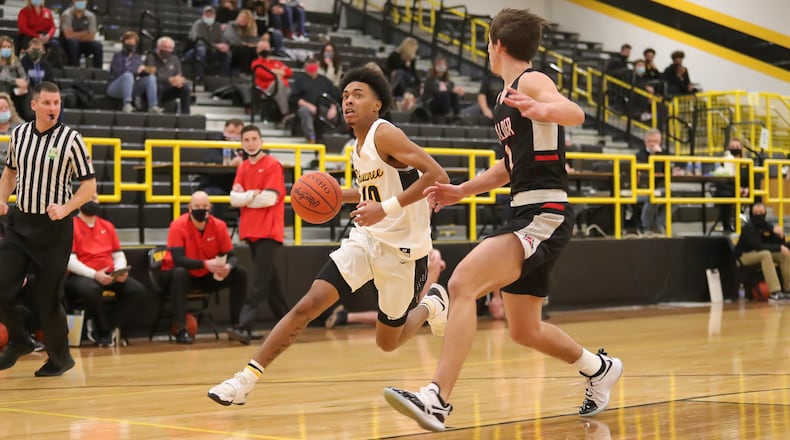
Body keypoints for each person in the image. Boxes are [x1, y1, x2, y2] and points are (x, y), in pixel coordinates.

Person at [382, 9, 623, 432]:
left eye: (488, 43)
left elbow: (575, 113)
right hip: (529, 208)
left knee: (461, 283)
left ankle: (436, 398)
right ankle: (599, 368)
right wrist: (460, 191)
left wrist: (544, 106)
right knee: (524, 330)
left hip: (544, 211)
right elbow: (508, 167)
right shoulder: (505, 97)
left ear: (496, 44)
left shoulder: (531, 81)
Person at [206, 65, 450, 406]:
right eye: (345, 95)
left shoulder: (385, 133)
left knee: (388, 343)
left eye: (358, 95)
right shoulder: (356, 145)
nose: (348, 100)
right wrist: (333, 193)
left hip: (405, 253)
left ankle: (431, 304)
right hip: (367, 239)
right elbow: (373, 191)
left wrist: (386, 208)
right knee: (308, 304)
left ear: (378, 104)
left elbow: (437, 174)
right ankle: (244, 380)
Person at [0, 81, 96, 376]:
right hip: (20, 224)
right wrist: (2, 199)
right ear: (34, 105)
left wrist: (66, 208)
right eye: (47, 103)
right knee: (2, 286)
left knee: (48, 297)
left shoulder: (71, 139)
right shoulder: (18, 135)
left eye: (57, 103)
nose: (53, 108)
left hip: (54, 229)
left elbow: (89, 186)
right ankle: (20, 340)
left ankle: (59, 358)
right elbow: (10, 172)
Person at [64, 194, 154, 346]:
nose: (92, 201)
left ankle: (106, 326)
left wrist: (119, 271)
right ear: (78, 202)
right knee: (91, 290)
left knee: (137, 291)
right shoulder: (70, 226)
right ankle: (104, 331)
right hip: (81, 276)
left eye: (95, 198)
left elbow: (118, 255)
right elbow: (70, 261)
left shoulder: (107, 225)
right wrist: (94, 274)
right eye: (88, 198)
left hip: (108, 274)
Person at [227, 124, 289, 343]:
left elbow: (269, 199)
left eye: (254, 139)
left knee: (259, 282)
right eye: (246, 140)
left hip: (269, 231)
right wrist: (254, 195)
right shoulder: (243, 167)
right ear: (242, 143)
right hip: (251, 230)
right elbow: (233, 199)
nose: (251, 143)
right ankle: (289, 325)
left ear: (261, 141)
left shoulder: (273, 165)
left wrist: (248, 196)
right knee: (271, 282)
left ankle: (244, 327)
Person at [160, 190, 247, 344]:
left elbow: (232, 256)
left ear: (210, 207)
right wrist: (205, 264)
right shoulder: (178, 225)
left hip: (206, 275)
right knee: (179, 273)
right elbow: (178, 259)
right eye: (197, 206)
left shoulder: (219, 226)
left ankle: (237, 326)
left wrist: (228, 266)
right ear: (189, 207)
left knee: (240, 273)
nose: (201, 209)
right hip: (180, 275)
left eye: (204, 205)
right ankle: (181, 329)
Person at [325, 248, 446, 328]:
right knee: (406, 320)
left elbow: (420, 234)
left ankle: (345, 317)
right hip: (389, 257)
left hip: (403, 256)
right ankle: (344, 316)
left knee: (408, 319)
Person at [734, 203, 790, 301]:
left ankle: (788, 289)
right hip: (744, 256)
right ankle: (774, 292)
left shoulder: (766, 225)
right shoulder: (748, 227)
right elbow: (758, 246)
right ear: (752, 214)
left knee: (784, 254)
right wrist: (779, 247)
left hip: (759, 253)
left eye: (761, 212)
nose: (759, 215)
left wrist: (781, 236)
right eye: (756, 213)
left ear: (765, 213)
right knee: (766, 254)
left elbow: (777, 242)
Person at [107, 31, 162, 114]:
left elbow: (139, 73)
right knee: (127, 75)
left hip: (132, 85)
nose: (130, 45)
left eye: (132, 43)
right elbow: (120, 72)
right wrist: (136, 70)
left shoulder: (137, 57)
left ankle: (153, 106)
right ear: (124, 43)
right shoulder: (118, 56)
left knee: (151, 78)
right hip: (116, 86)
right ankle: (127, 104)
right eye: (128, 43)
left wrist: (145, 70)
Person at [288, 57, 340, 143]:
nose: (312, 67)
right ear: (305, 67)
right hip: (308, 108)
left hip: (325, 108)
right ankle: (312, 137)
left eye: (314, 64)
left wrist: (333, 108)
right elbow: (294, 98)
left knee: (339, 114)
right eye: (309, 64)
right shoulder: (300, 81)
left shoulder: (325, 80)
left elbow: (335, 95)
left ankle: (336, 139)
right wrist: (309, 106)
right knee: (304, 111)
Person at [144, 36, 191, 115]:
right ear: (158, 47)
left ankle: (185, 115)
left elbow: (178, 75)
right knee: (157, 85)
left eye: (170, 48)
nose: (167, 50)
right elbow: (151, 76)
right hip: (154, 89)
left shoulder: (174, 59)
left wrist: (178, 81)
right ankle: (155, 112)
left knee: (185, 88)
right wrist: (169, 80)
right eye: (165, 47)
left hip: (169, 88)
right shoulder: (150, 57)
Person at [186, 5, 232, 80]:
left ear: (215, 16)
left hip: (212, 52)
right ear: (202, 15)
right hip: (194, 51)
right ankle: (199, 77)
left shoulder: (217, 26)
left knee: (227, 53)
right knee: (201, 50)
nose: (209, 16)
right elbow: (198, 40)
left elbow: (222, 40)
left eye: (211, 15)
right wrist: (216, 45)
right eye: (207, 14)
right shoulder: (198, 24)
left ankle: (223, 77)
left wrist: (224, 46)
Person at [249, 38, 291, 118]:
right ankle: (285, 113)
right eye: (262, 48)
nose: (264, 50)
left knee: (294, 91)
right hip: (265, 91)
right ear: (257, 50)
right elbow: (267, 75)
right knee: (279, 81)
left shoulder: (276, 62)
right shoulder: (256, 63)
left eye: (266, 48)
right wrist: (279, 72)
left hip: (284, 89)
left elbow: (289, 72)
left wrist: (273, 71)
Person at [637, 128, 667, 234]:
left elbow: (666, 171)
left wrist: (659, 155)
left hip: (660, 187)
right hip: (642, 189)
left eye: (655, 141)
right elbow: (654, 171)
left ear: (660, 142)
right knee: (654, 196)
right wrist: (655, 155)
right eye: (650, 141)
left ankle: (659, 224)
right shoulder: (639, 155)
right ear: (645, 141)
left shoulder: (664, 154)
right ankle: (645, 226)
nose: (652, 144)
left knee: (675, 198)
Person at [419, 55, 464, 122]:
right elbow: (436, 92)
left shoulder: (449, 82)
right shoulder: (430, 80)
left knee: (454, 95)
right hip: (432, 104)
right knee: (444, 95)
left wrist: (456, 91)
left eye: (443, 64)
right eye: (439, 64)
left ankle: (457, 115)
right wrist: (452, 90)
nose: (441, 66)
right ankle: (447, 116)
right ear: (435, 66)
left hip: (445, 103)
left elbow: (451, 93)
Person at [60, 0, 103, 69]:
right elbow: (68, 36)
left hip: (84, 43)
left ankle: (98, 70)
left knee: (97, 45)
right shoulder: (67, 14)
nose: (80, 2)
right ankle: (73, 69)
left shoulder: (91, 16)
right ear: (73, 1)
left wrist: (74, 34)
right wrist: (84, 33)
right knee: (73, 42)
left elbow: (91, 37)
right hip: (67, 44)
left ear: (86, 1)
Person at [0, 36, 31, 122]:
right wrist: (16, 81)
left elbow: (24, 77)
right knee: (2, 84)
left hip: (14, 89)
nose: (7, 49)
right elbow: (2, 77)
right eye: (4, 47)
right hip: (3, 89)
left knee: (29, 90)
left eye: (9, 47)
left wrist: (24, 85)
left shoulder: (15, 61)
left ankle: (30, 117)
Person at [384, 37, 419, 110]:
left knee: (400, 72)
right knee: (399, 72)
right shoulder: (395, 55)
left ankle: (391, 91)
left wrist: (418, 82)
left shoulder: (412, 58)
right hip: (395, 79)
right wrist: (392, 72)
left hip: (407, 79)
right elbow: (386, 68)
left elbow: (413, 71)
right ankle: (400, 94)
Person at [224, 9, 260, 75]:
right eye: (241, 17)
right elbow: (232, 39)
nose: (242, 19)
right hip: (231, 47)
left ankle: (251, 73)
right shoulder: (231, 25)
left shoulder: (249, 29)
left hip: (245, 49)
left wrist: (253, 32)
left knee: (253, 50)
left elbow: (254, 42)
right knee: (244, 49)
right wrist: (244, 43)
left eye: (245, 18)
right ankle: (243, 72)